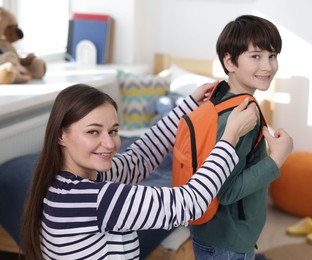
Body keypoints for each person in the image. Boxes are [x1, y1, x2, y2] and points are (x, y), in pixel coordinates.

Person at [20, 81, 285, 260]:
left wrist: (188, 104)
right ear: (60, 135)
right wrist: (230, 138)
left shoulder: (70, 182)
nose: (110, 143)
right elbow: (189, 202)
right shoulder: (92, 199)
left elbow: (140, 158)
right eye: (93, 132)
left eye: (113, 131)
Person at [189, 15, 294, 260]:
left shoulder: (220, 96)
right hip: (228, 242)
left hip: (214, 233)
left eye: (272, 55)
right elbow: (226, 191)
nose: (268, 66)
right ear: (230, 61)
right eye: (256, 56)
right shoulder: (243, 117)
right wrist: (276, 158)